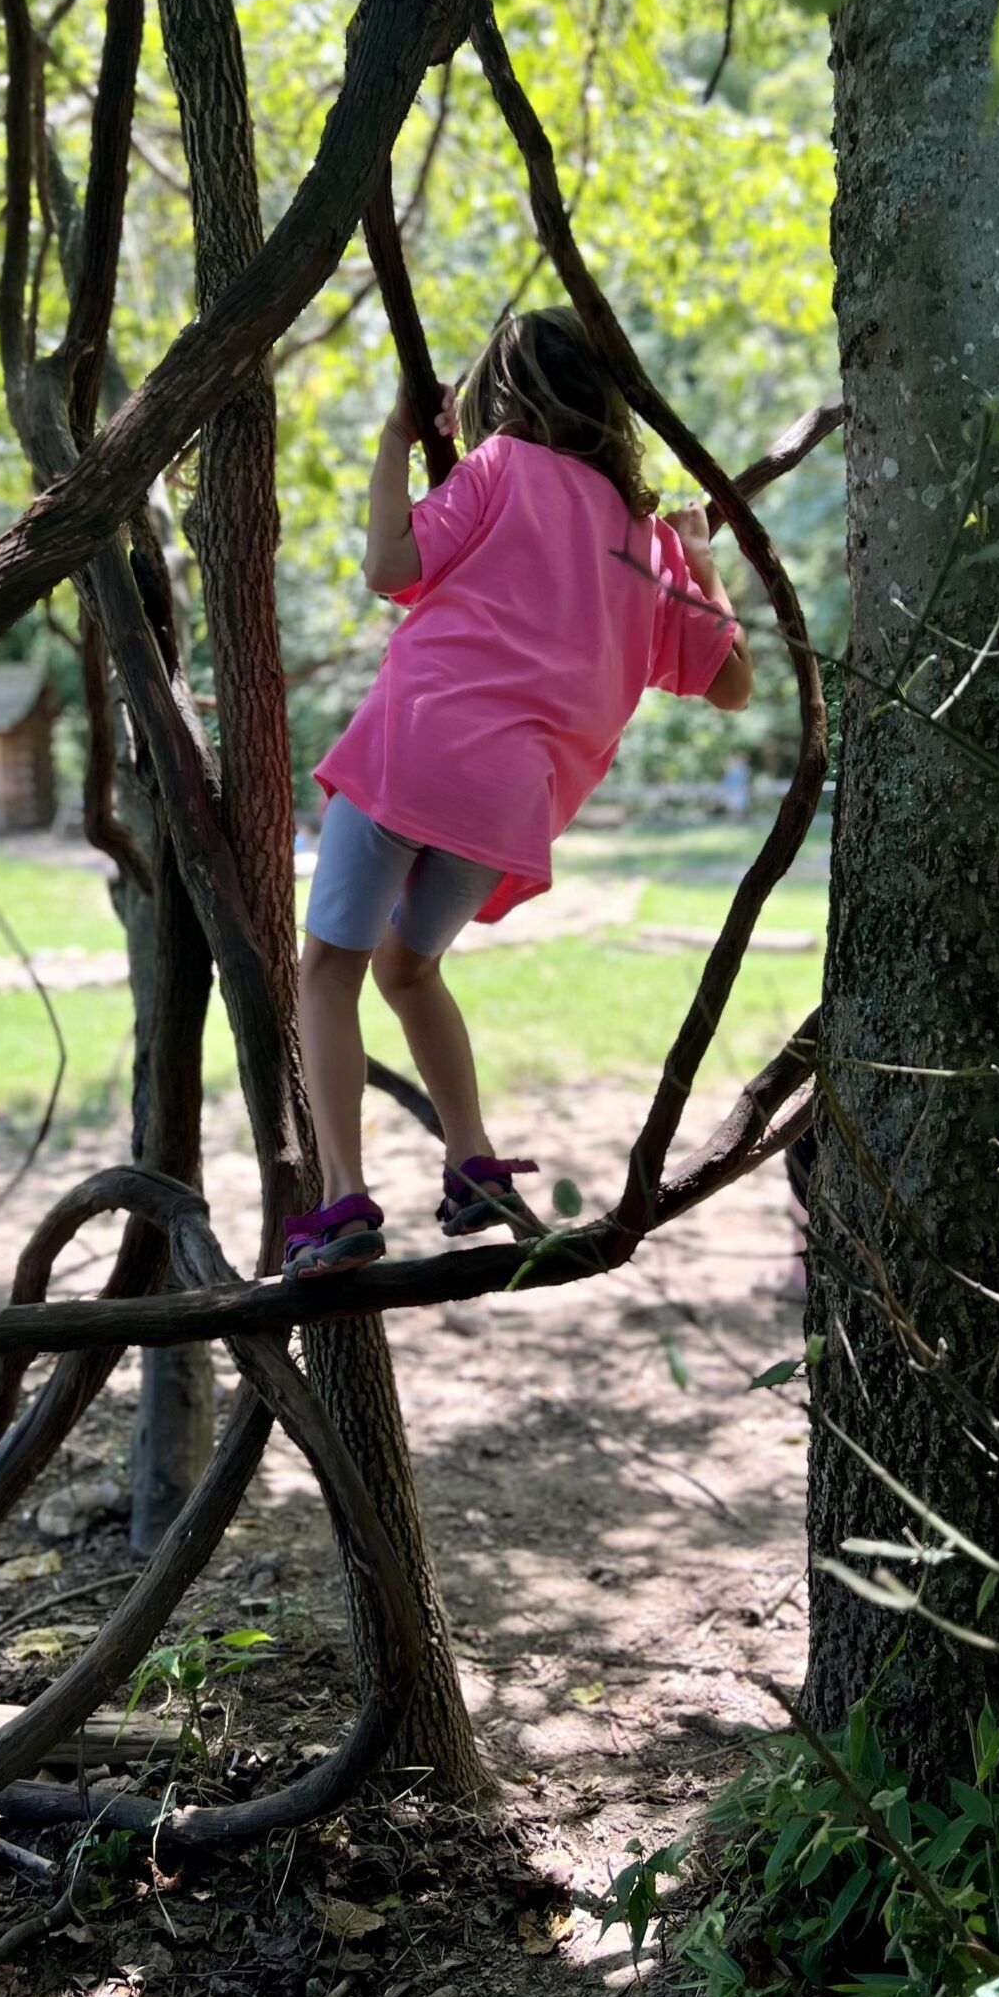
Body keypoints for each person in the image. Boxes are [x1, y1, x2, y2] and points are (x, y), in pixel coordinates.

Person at [285, 305, 754, 1277]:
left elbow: (387, 566)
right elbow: (732, 680)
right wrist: (699, 548)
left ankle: (340, 1207)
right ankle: (472, 1165)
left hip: (412, 754)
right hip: (508, 808)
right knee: (408, 970)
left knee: (327, 972)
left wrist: (394, 438)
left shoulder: (498, 465)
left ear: (510, 396)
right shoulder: (646, 543)